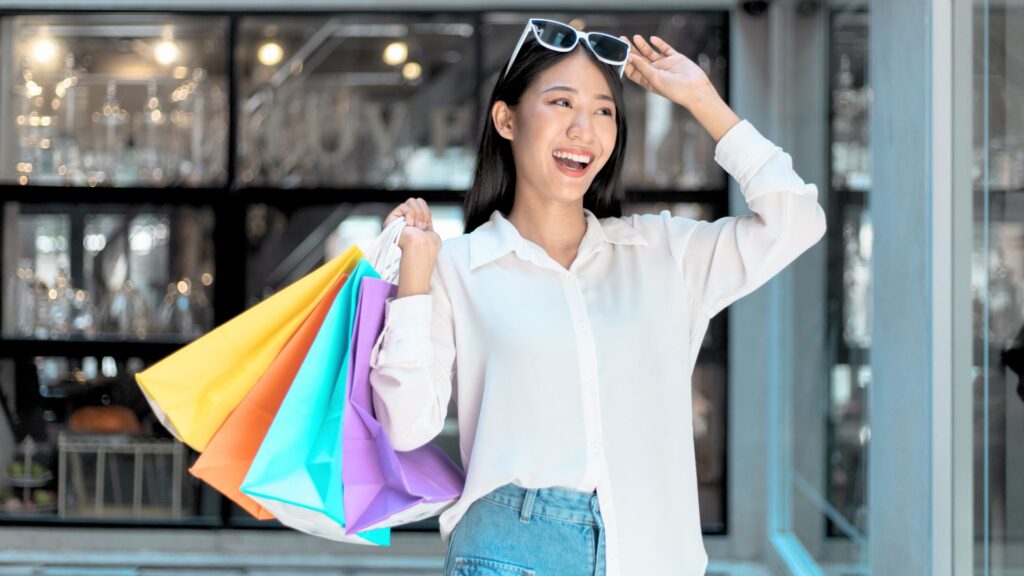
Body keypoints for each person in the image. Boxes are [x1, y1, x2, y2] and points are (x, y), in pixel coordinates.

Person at [368, 18, 827, 576]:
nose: (584, 129)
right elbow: (407, 427)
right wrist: (413, 282)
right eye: (561, 103)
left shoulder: (664, 253)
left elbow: (797, 220)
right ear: (506, 119)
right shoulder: (456, 267)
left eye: (604, 110)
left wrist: (703, 101)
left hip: (652, 550)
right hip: (509, 549)